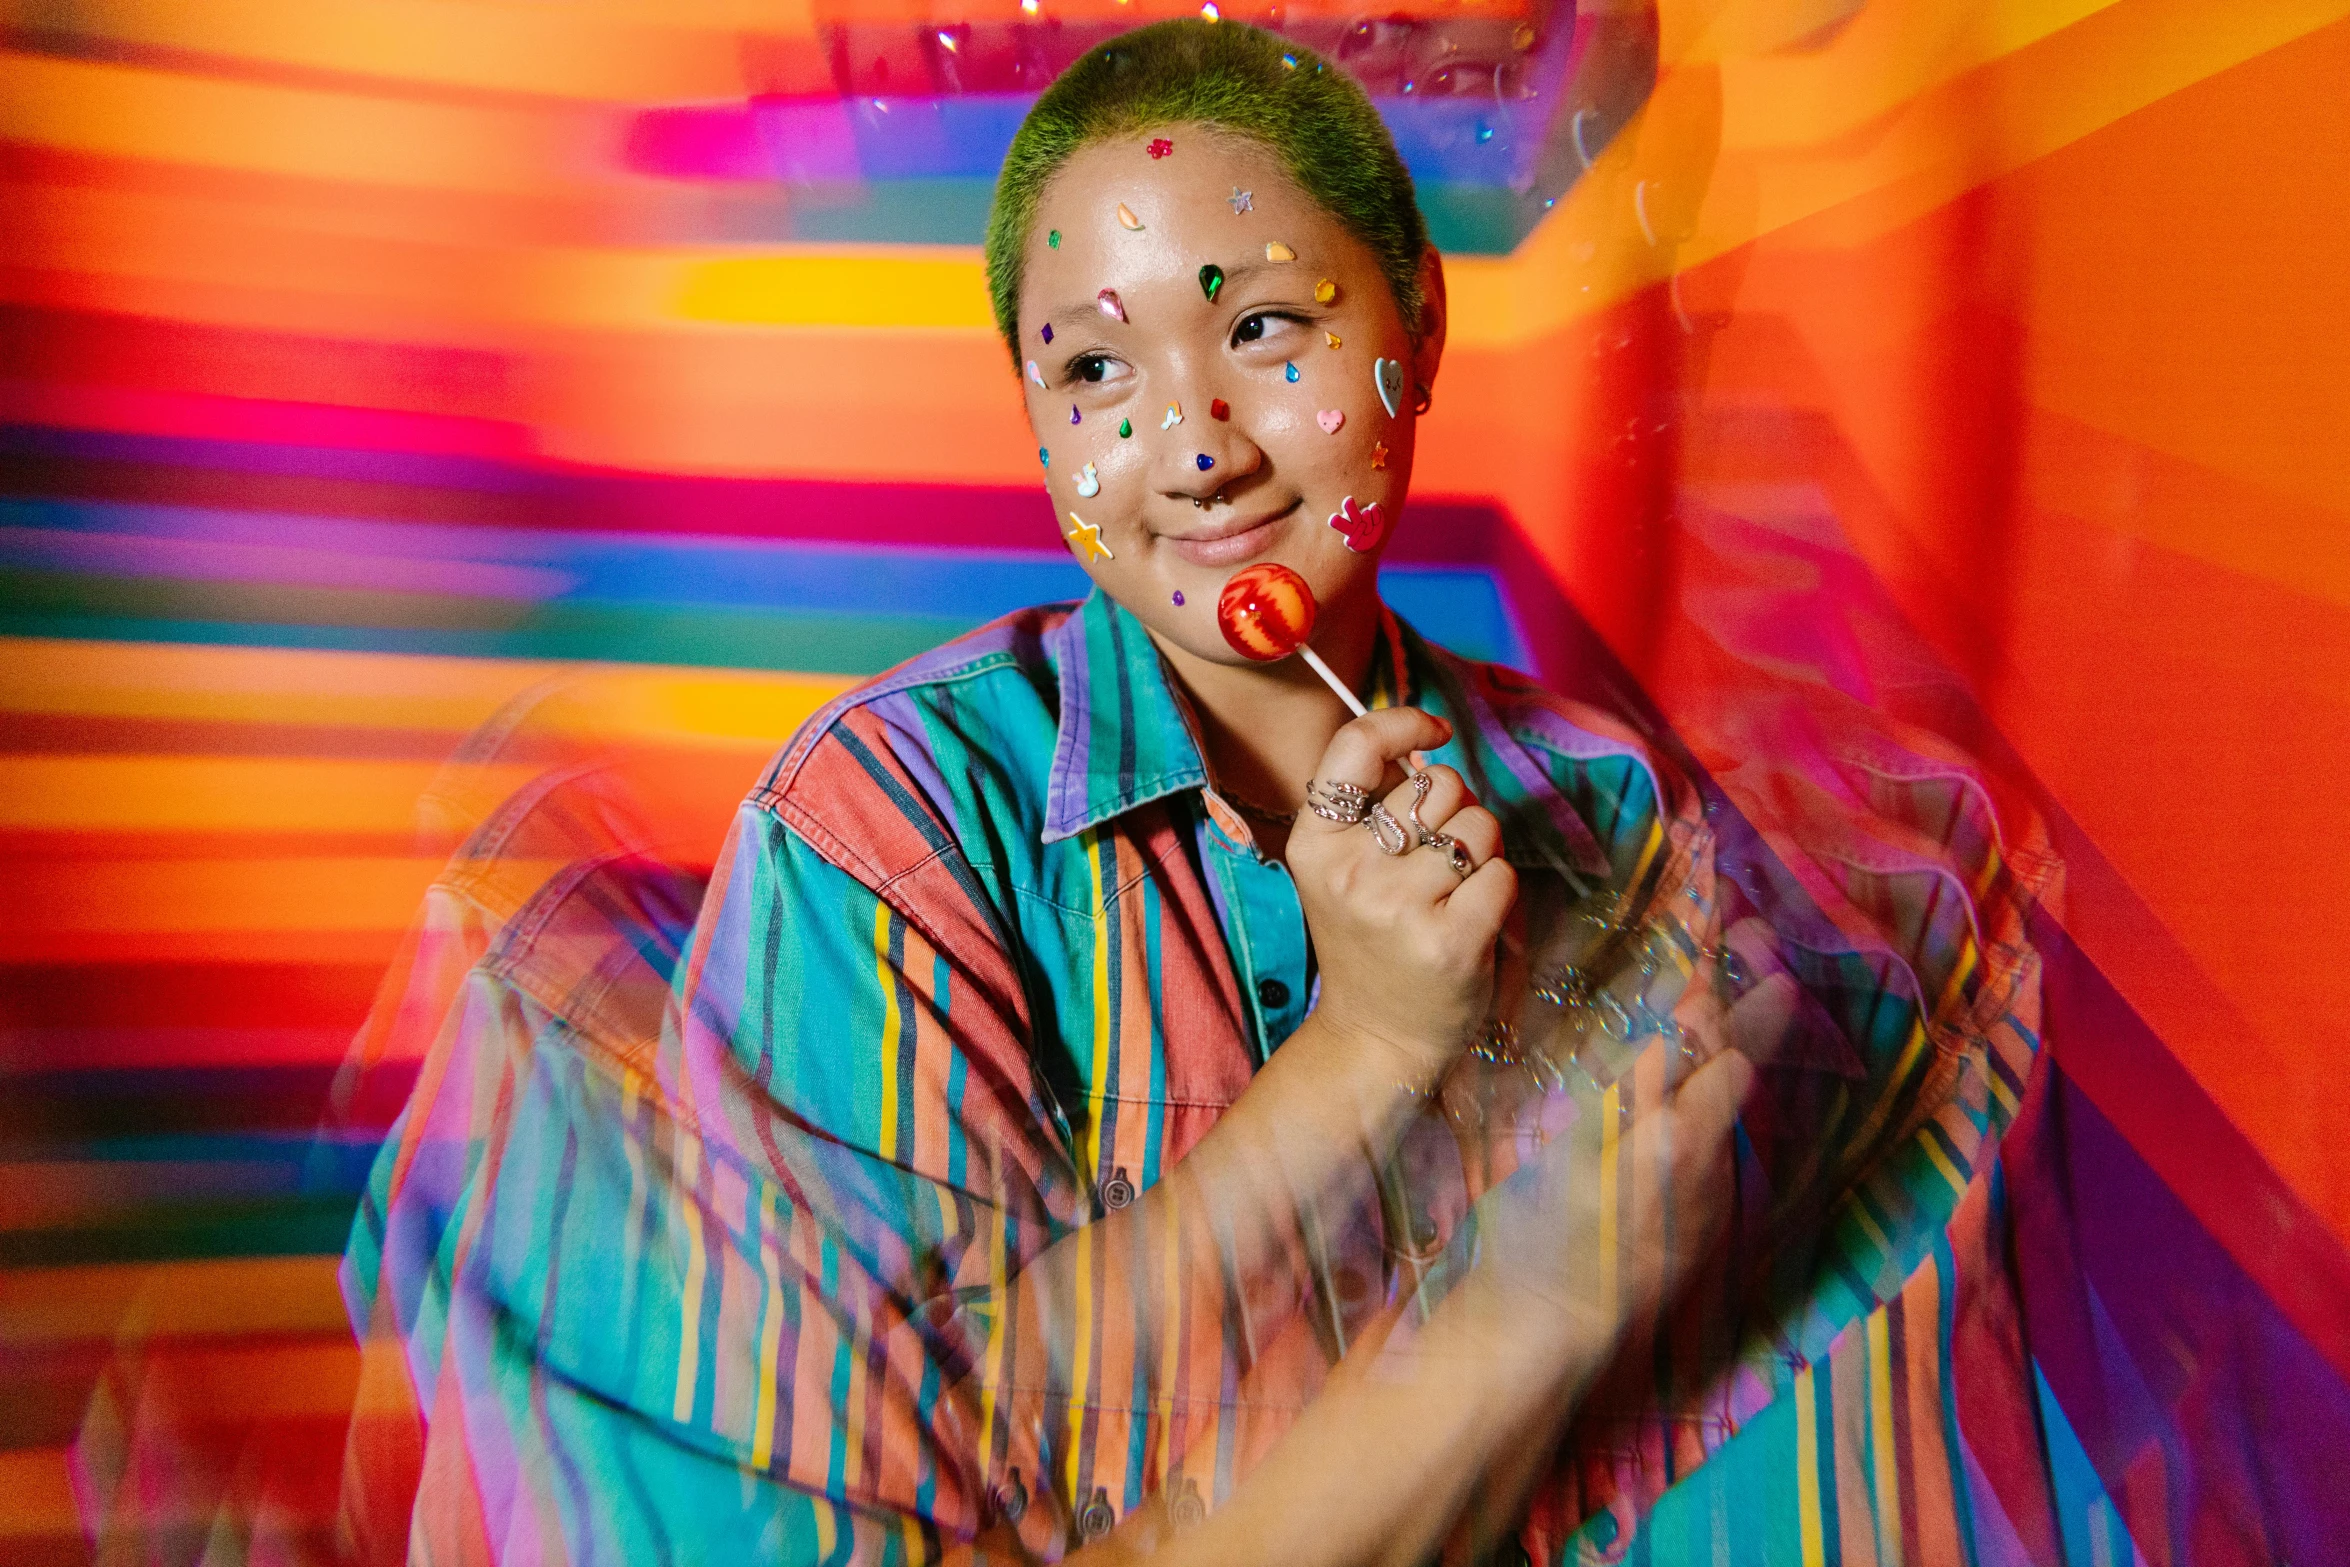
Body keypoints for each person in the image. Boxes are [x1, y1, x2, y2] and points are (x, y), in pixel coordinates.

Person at [341, 20, 2054, 1564]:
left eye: (1262, 325)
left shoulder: (1608, 808)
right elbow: (927, 1450)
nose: (1196, 443)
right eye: (1095, 371)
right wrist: (1377, 1047)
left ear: (1421, 321)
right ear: (1029, 412)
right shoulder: (888, 818)